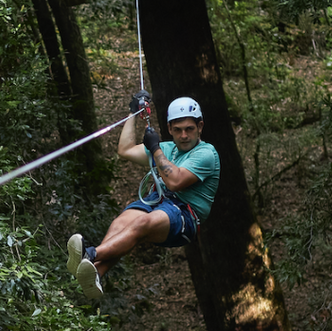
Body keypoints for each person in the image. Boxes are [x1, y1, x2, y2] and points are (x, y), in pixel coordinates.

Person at [66, 92, 220, 299]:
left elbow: (175, 182)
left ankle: (90, 254)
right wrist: (132, 113)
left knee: (141, 223)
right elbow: (125, 150)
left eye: (189, 129)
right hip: (157, 201)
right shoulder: (167, 148)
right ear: (170, 129)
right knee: (122, 223)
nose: (184, 135)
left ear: (200, 127)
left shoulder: (206, 153)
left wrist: (155, 147)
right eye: (178, 130)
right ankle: (97, 273)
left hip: (185, 215)